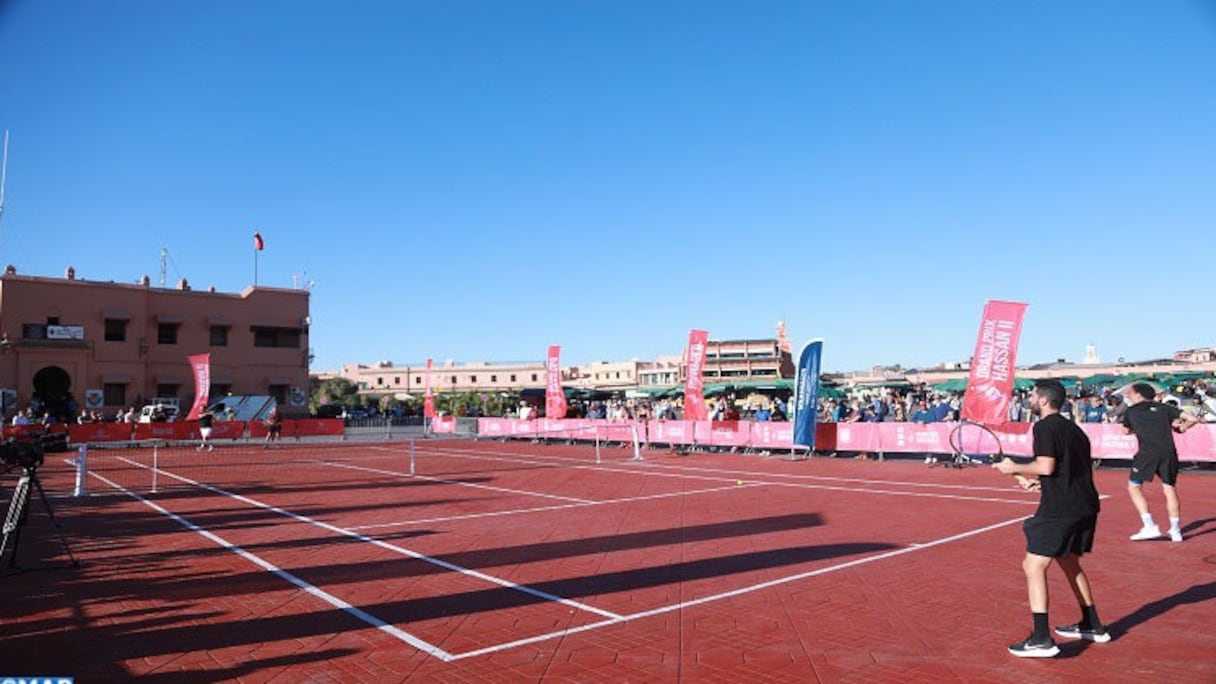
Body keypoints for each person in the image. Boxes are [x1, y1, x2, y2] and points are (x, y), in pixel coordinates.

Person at [994, 379, 1106, 658]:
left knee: (1033, 565)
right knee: (1069, 562)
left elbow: (1046, 464)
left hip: (1062, 508)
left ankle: (1041, 638)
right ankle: (1092, 623)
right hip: (1085, 504)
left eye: (1032, 395)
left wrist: (1013, 468)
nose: (1030, 399)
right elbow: (1066, 470)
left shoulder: (1044, 426)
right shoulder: (1074, 430)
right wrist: (1037, 481)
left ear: (1043, 400)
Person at [1121, 382, 1200, 542]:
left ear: (1139, 395)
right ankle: (1176, 531)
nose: (1128, 396)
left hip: (1147, 453)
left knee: (1134, 487)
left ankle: (1149, 525)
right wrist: (1181, 428)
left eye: (1131, 394)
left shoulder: (1131, 411)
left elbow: (1126, 431)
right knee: (1169, 488)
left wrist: (1141, 428)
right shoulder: (1164, 408)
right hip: (1168, 453)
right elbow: (1192, 419)